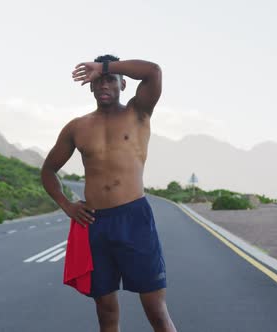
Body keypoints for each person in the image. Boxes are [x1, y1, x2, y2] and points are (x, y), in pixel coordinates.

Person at [41, 55, 177, 332]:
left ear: (123, 84)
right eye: (98, 81)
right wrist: (67, 206)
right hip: (95, 223)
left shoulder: (138, 112)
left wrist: (103, 67)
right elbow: (47, 171)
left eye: (110, 80)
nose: (104, 85)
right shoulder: (77, 127)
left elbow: (153, 71)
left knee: (155, 309)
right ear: (90, 86)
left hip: (134, 218)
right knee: (105, 311)